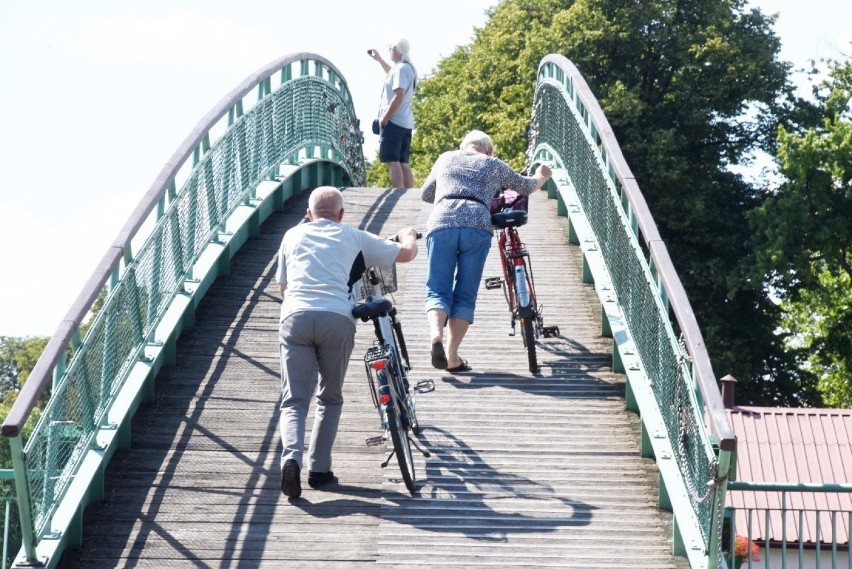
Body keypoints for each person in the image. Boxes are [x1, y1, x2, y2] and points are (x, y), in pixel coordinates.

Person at [275, 186, 418, 498]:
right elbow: (405, 255)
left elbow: (283, 287)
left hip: (295, 317)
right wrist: (408, 234)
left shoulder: (291, 236)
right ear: (341, 215)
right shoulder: (354, 236)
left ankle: (290, 459)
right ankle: (319, 470)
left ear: (309, 214)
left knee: (294, 400)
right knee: (329, 397)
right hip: (337, 319)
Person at [420, 130, 552, 372]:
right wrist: (541, 177)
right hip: (477, 224)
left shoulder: (446, 157)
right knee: (465, 294)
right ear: (488, 150)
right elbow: (525, 186)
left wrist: (449, 190)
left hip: (442, 222)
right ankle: (452, 356)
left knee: (438, 288)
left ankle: (435, 337)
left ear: (463, 147)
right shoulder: (493, 163)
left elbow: (426, 194)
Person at [368, 37, 417, 189]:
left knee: (393, 160)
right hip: (406, 122)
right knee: (403, 161)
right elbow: (392, 74)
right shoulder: (408, 68)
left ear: (395, 50)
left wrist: (385, 117)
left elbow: (399, 95)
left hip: (394, 121)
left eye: (390, 48)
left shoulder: (401, 69)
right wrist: (380, 60)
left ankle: (397, 193)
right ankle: (409, 194)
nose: (389, 50)